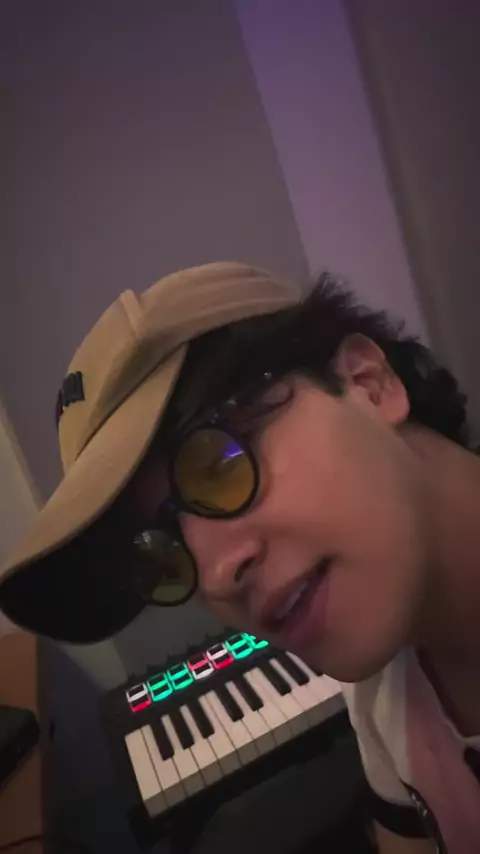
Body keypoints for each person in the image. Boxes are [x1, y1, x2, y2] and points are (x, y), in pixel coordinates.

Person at [1, 261, 479, 853]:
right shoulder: (381, 697)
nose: (216, 577)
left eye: (222, 463)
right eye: (164, 549)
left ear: (368, 383)